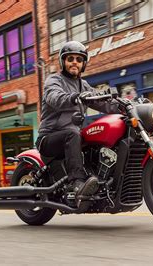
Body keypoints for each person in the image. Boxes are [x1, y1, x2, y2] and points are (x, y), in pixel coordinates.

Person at [36, 41, 121, 199]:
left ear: (83, 64)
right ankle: (77, 183)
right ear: (63, 62)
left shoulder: (84, 85)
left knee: (92, 138)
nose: (75, 62)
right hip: (49, 138)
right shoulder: (54, 80)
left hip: (72, 136)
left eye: (79, 59)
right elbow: (55, 98)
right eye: (70, 58)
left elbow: (102, 102)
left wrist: (129, 105)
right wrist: (75, 97)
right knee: (73, 134)